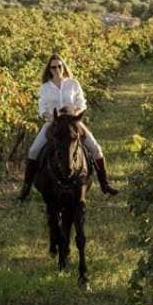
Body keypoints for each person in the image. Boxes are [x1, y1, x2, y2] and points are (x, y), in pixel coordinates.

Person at [18, 53, 119, 200]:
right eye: (53, 67)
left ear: (63, 66)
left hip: (73, 122)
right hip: (53, 123)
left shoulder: (73, 83)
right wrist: (51, 117)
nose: (57, 69)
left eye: (59, 66)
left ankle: (105, 185)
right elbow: (42, 109)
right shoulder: (45, 88)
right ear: (49, 69)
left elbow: (81, 103)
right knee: (33, 150)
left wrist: (75, 114)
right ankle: (26, 187)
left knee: (96, 149)